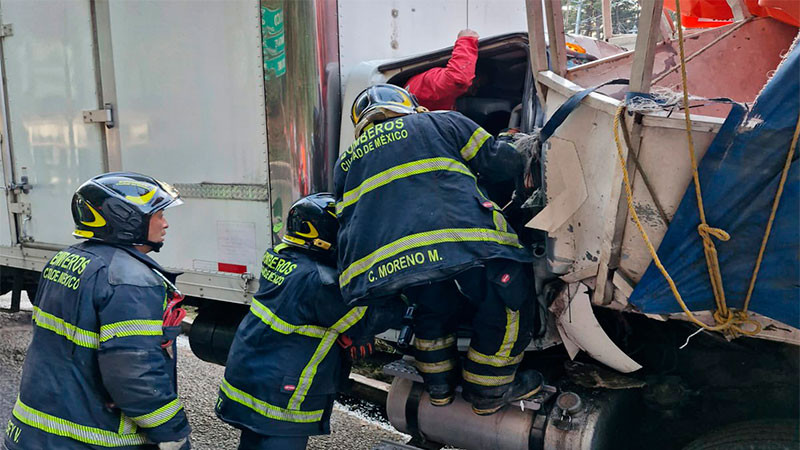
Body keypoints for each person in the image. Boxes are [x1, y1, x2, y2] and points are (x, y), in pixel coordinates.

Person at [336, 84, 542, 416]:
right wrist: (509, 143)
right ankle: (488, 393)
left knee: (432, 312)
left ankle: (439, 390)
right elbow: (500, 164)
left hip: (396, 265)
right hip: (464, 244)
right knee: (508, 305)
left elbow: (345, 216)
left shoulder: (346, 161)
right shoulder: (441, 121)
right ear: (410, 105)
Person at [3, 172, 191, 450]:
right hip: (90, 439)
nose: (165, 224)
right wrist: (172, 431)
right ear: (126, 219)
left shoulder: (65, 260)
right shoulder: (130, 281)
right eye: (158, 214)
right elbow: (134, 374)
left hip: (31, 432)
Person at [215, 193, 402, 450]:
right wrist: (400, 294)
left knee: (252, 442)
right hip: (281, 399)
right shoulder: (320, 283)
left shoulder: (280, 255)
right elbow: (366, 319)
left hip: (253, 381)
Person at [405, 29, 479, 111]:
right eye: (475, 86)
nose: (473, 92)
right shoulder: (430, 80)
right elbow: (459, 78)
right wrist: (467, 41)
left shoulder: (432, 88)